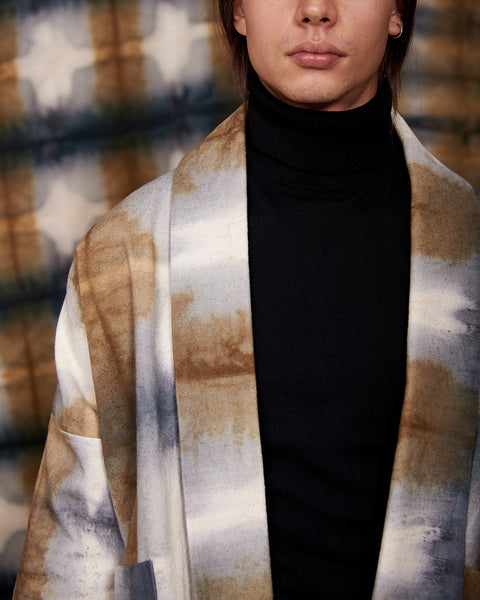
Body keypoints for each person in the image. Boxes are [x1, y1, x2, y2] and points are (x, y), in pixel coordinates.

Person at [13, 0, 480, 598]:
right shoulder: (126, 257)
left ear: (397, 13)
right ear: (237, 11)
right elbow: (75, 545)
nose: (316, 10)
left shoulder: (468, 246)